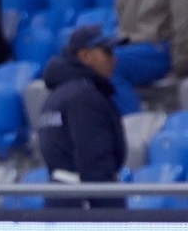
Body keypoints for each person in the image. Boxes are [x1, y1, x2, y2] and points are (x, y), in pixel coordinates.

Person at [37, 24, 127, 209]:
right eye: (107, 52)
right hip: (85, 205)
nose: (114, 59)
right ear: (85, 56)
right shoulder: (85, 97)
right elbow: (95, 163)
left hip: (60, 199)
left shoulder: (56, 95)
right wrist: (112, 211)